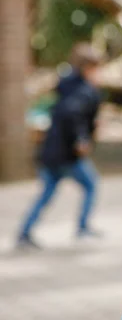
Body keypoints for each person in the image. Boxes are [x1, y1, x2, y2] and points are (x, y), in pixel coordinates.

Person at [17, 42, 103, 249]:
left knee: (47, 193)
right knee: (91, 184)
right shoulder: (84, 90)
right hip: (67, 154)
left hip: (50, 151)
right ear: (88, 68)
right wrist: (81, 139)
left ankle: (25, 231)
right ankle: (82, 227)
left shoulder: (64, 84)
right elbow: (73, 115)